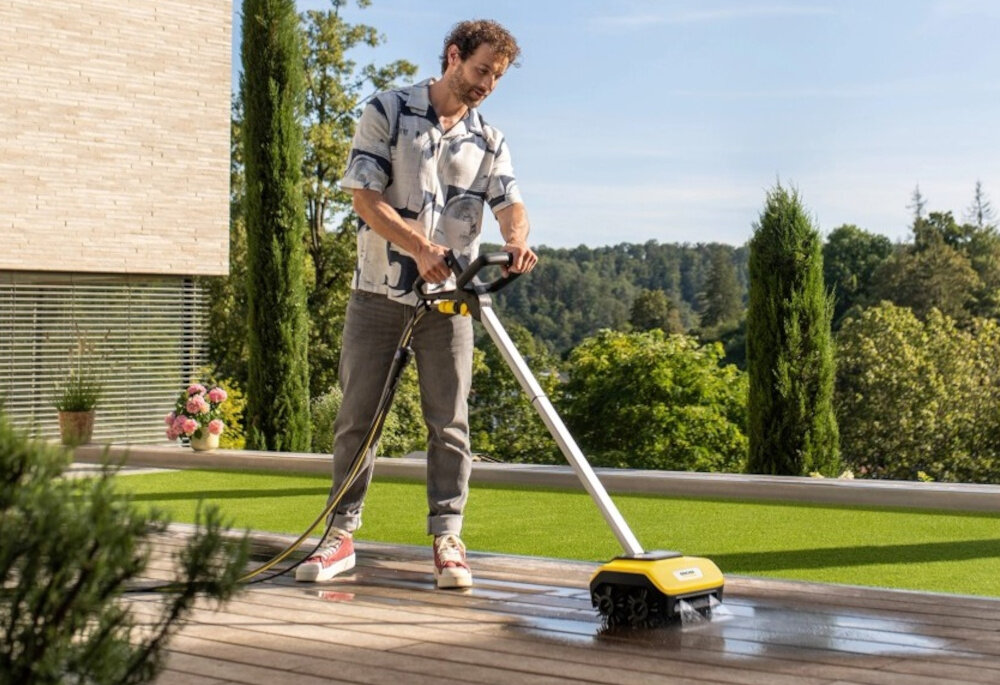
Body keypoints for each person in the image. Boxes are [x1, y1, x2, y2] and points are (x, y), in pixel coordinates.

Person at [296, 19, 538, 589]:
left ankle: (448, 538)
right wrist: (419, 245)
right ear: (453, 56)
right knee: (357, 419)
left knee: (450, 425)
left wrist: (517, 241)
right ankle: (340, 536)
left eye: (497, 78)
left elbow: (510, 203)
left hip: (451, 301)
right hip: (378, 291)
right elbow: (364, 197)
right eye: (481, 71)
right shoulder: (388, 109)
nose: (487, 84)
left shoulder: (490, 139)